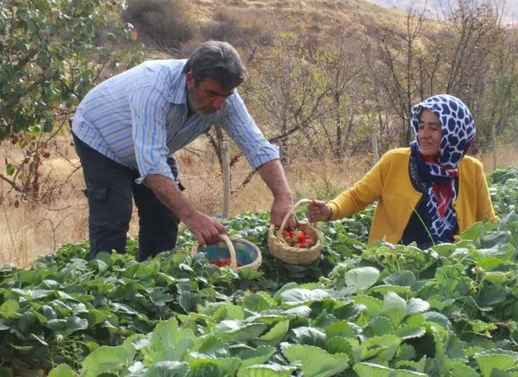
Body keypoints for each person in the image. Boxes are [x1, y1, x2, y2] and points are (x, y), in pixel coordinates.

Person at [71, 41, 295, 261]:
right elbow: (153, 167)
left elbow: (257, 146)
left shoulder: (226, 99)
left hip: (152, 145)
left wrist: (283, 196)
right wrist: (192, 216)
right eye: (211, 94)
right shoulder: (152, 89)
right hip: (102, 138)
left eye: (225, 96)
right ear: (190, 79)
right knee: (114, 215)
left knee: (164, 214)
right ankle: (106, 279)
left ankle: (154, 276)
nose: (218, 104)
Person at [307, 94, 496, 248]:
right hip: (395, 263)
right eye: (421, 126)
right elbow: (357, 196)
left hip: (450, 270)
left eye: (434, 128)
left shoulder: (472, 170)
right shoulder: (394, 161)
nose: (424, 135)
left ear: (454, 132)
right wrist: (330, 210)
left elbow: (488, 223)